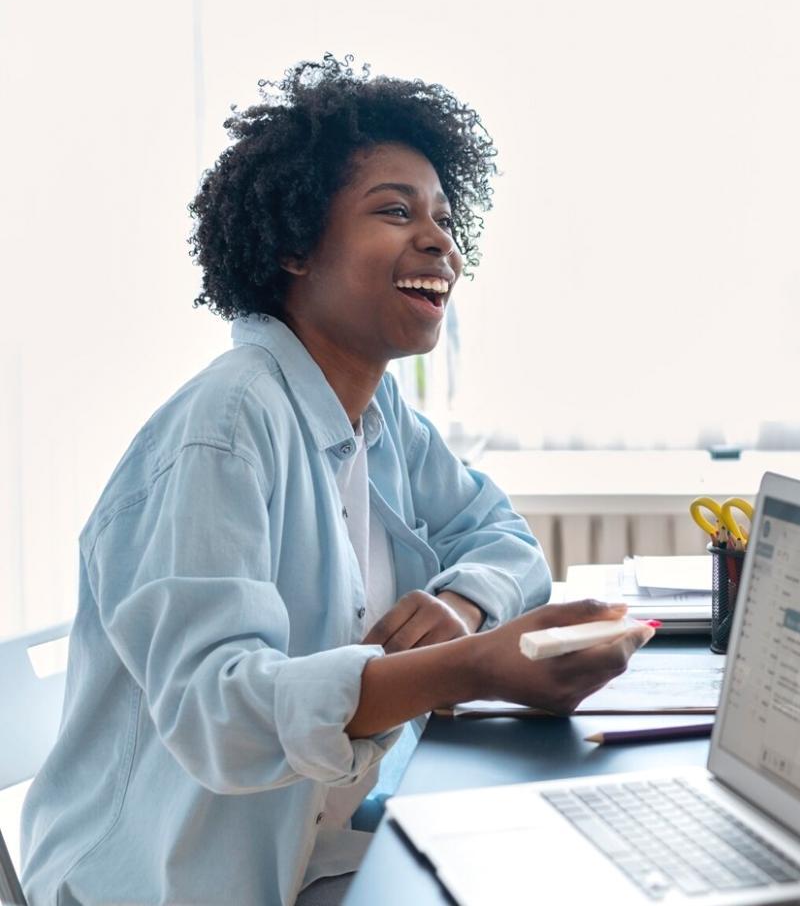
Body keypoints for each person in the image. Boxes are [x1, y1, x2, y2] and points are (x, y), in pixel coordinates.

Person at [21, 55, 654, 905]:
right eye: (394, 211)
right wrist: (469, 667)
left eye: (444, 218)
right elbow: (222, 714)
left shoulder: (376, 412)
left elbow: (501, 537)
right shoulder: (224, 430)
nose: (439, 242)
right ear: (292, 245)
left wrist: (463, 604)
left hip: (321, 855)